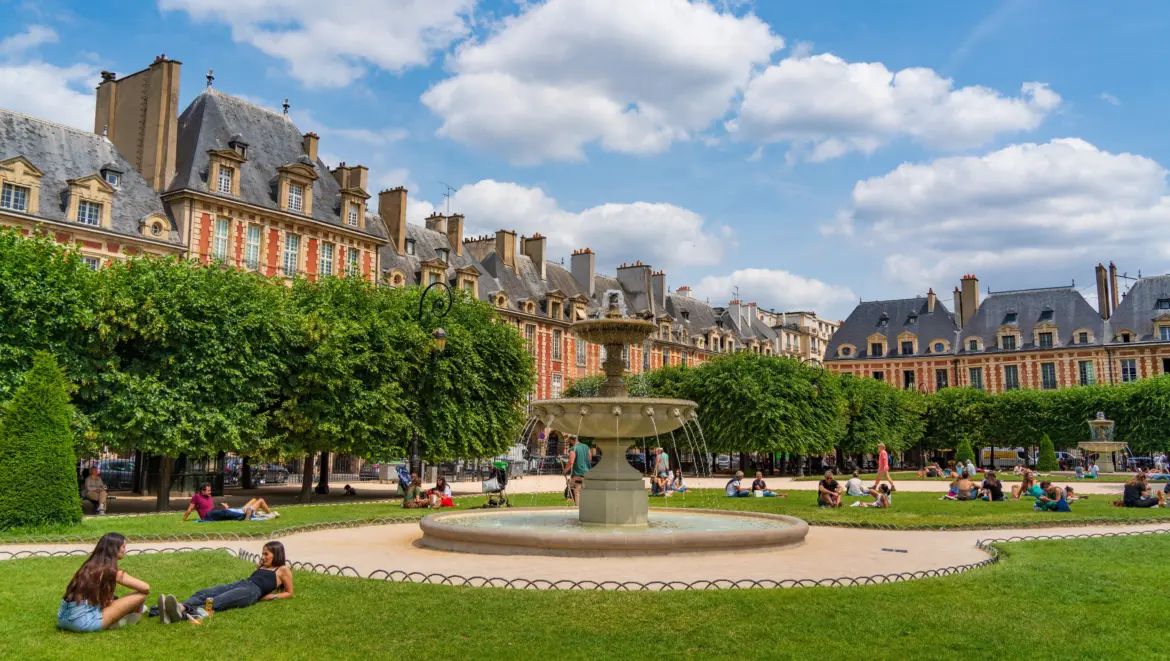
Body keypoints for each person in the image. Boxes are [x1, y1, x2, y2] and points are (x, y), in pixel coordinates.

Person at [158, 541, 292, 624]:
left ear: (277, 554)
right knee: (205, 593)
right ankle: (175, 608)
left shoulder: (283, 570)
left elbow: (289, 592)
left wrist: (273, 596)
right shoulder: (261, 565)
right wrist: (262, 564)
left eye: (266, 554)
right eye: (262, 553)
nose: (263, 556)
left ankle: (182, 611)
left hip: (252, 591)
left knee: (217, 600)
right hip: (241, 583)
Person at [58, 533, 151, 633]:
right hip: (83, 623)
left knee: (114, 599)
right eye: (123, 546)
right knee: (141, 595)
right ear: (114, 549)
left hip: (62, 619)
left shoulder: (87, 566)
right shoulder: (110, 571)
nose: (125, 550)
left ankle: (132, 613)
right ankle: (130, 618)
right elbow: (146, 588)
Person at [181, 483, 276, 521]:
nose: (210, 492)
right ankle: (246, 515)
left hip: (214, 512)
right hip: (208, 515)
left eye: (210, 490)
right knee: (260, 501)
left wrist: (222, 505)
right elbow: (190, 509)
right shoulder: (196, 497)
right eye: (208, 490)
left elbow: (212, 506)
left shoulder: (208, 496)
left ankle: (246, 512)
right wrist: (182, 520)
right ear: (202, 491)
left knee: (254, 500)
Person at [565, 438, 593, 506]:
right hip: (587, 473)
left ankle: (577, 510)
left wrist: (565, 471)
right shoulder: (586, 447)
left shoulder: (573, 448)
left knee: (576, 490)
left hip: (578, 474)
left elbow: (571, 461)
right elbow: (590, 458)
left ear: (572, 440)